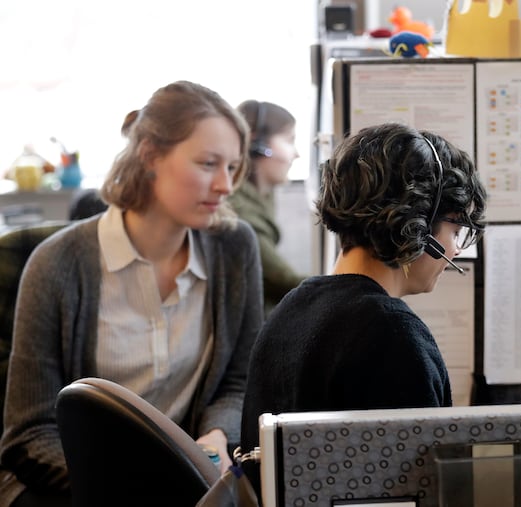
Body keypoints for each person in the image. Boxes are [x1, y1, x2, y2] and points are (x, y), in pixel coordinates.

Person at [0, 80, 264, 507]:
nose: (224, 185)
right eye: (208, 163)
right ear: (150, 157)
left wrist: (217, 434)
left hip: (185, 483)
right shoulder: (57, 265)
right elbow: (28, 435)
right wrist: (130, 485)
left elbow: (237, 381)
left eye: (232, 168)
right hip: (71, 484)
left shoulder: (234, 248)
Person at [239, 122, 487, 494]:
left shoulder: (292, 308)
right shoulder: (392, 335)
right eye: (454, 231)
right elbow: (421, 491)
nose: (455, 250)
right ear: (418, 228)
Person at [228, 100, 307, 316]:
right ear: (259, 145)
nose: (296, 154)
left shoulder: (261, 195)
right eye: (290, 140)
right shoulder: (239, 210)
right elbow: (282, 281)